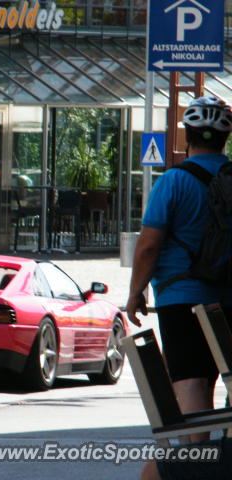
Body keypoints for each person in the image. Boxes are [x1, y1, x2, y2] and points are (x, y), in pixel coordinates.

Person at [126, 95, 232, 443]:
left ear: (186, 133)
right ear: (225, 138)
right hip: (229, 297)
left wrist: (135, 293)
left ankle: (196, 461)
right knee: (225, 375)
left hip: (182, 297)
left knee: (190, 379)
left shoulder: (172, 181)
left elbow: (148, 246)